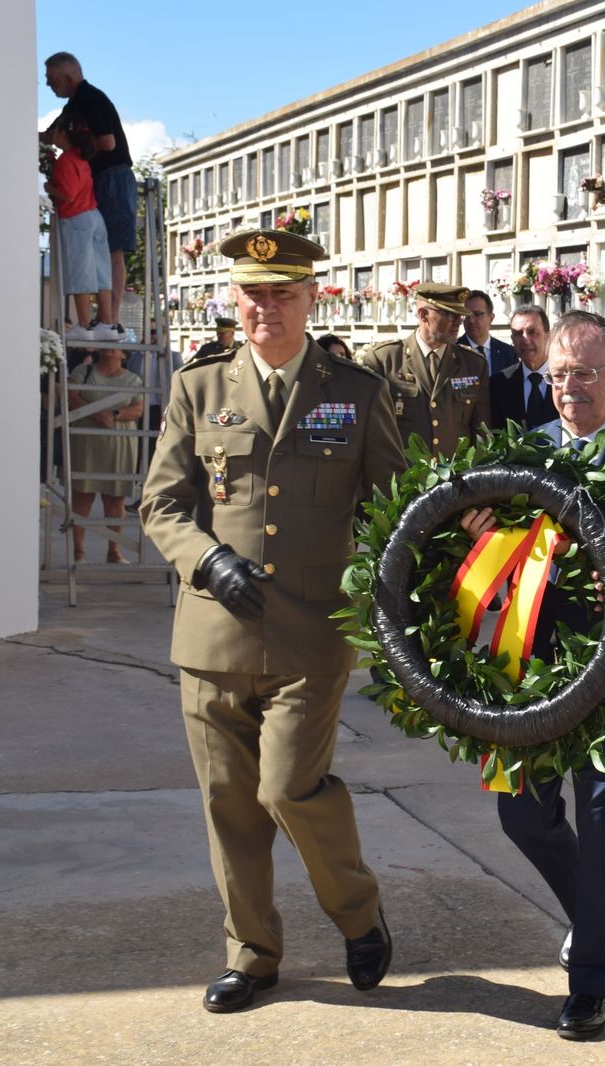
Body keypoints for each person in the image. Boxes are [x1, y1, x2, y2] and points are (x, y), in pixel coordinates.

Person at [140, 228, 403, 1014]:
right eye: (254, 294)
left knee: (287, 789)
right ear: (235, 299)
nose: (266, 309)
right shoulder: (199, 388)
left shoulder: (355, 393)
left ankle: (357, 914)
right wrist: (204, 558)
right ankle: (252, 954)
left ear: (311, 297)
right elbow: (161, 503)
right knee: (230, 806)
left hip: (312, 635)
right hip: (213, 635)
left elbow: (395, 505)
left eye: (283, 293)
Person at [458, 310, 605, 1041]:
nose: (570, 388)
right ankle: (590, 908)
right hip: (531, 670)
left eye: (586, 373)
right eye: (558, 373)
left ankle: (589, 982)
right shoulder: (519, 456)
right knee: (519, 812)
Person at [43, 52, 133, 341]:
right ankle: (106, 319)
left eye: (51, 79)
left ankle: (111, 318)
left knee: (111, 250)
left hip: (113, 177)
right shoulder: (76, 103)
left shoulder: (92, 99)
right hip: (98, 181)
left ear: (67, 76)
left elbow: (107, 141)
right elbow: (50, 134)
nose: (47, 84)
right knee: (103, 250)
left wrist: (73, 145)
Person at [355, 282, 490, 458]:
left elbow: (481, 431)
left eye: (460, 316)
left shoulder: (473, 364)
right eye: (450, 315)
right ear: (423, 315)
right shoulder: (384, 360)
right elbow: (370, 432)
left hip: (455, 480)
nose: (458, 323)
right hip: (404, 479)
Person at [67, 344, 143, 563]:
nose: (110, 349)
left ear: (123, 354)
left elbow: (138, 409)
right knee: (83, 495)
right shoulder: (84, 371)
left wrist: (115, 414)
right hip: (87, 439)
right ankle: (78, 551)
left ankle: (114, 551)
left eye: (115, 347)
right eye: (106, 345)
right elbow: (71, 398)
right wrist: (96, 414)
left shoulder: (132, 379)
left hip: (119, 440)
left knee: (115, 497)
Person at [45, 116, 112, 342]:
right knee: (101, 271)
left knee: (80, 271)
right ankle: (107, 322)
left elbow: (69, 193)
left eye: (55, 131)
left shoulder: (66, 159)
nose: (52, 136)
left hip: (76, 218)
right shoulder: (81, 157)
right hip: (94, 215)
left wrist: (49, 187)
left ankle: (83, 324)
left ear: (64, 134)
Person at [488, 306, 553, 430]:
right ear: (512, 339)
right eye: (518, 334)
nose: (525, 339)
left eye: (532, 332)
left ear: (547, 336)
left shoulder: (565, 378)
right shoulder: (499, 383)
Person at [460, 289, 518, 376]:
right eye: (466, 315)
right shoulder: (452, 352)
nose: (471, 320)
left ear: (491, 318)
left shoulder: (508, 353)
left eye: (477, 314)